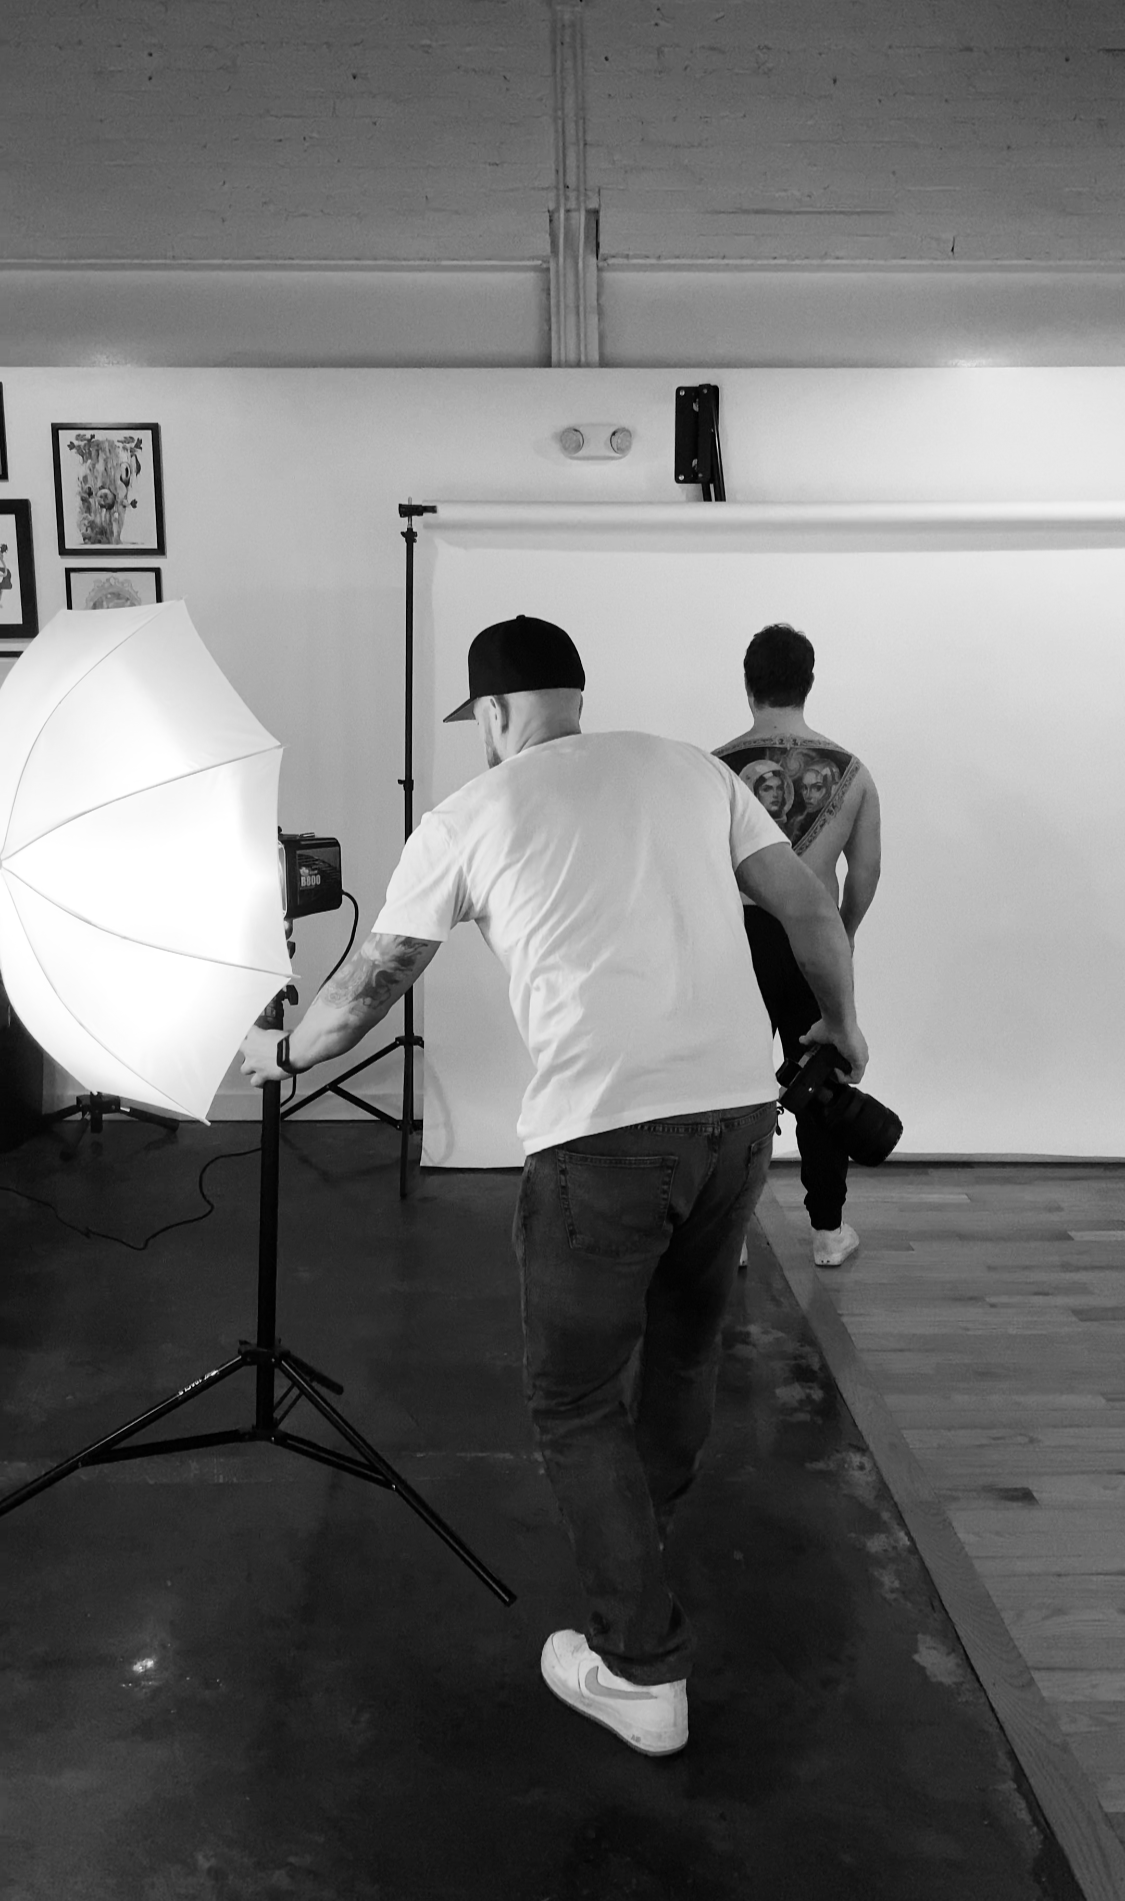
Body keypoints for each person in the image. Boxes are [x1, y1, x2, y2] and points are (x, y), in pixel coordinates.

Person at [241, 614, 868, 1758]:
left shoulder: (471, 813)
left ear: (490, 715)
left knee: (573, 1399)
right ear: (573, 696)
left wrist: (281, 1053)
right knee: (683, 1347)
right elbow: (810, 904)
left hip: (603, 1139)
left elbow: (374, 979)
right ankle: (644, 1530)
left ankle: (639, 1665)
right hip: (735, 1115)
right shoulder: (687, 767)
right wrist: (843, 1020)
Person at [716, 622, 882, 1268]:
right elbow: (863, 875)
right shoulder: (853, 772)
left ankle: (726, 1234)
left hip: (737, 939)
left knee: (730, 1083)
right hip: (810, 938)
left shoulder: (715, 767)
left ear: (748, 683)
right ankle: (827, 1230)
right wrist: (839, 934)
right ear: (807, 681)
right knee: (820, 1078)